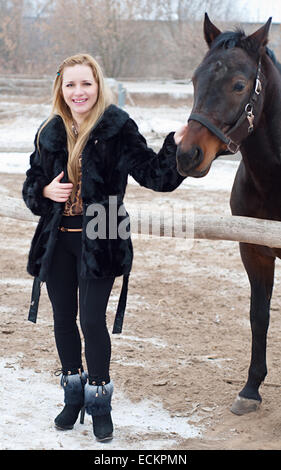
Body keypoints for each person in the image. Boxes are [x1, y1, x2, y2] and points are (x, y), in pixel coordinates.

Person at [22, 53, 187, 442]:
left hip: (103, 236)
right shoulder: (49, 131)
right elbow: (31, 184)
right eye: (71, 84)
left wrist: (176, 147)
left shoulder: (117, 127)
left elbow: (155, 174)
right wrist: (44, 191)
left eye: (86, 83)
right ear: (61, 90)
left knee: (92, 321)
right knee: (63, 320)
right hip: (56, 240)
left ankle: (100, 402)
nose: (79, 92)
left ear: (98, 86)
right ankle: (74, 394)